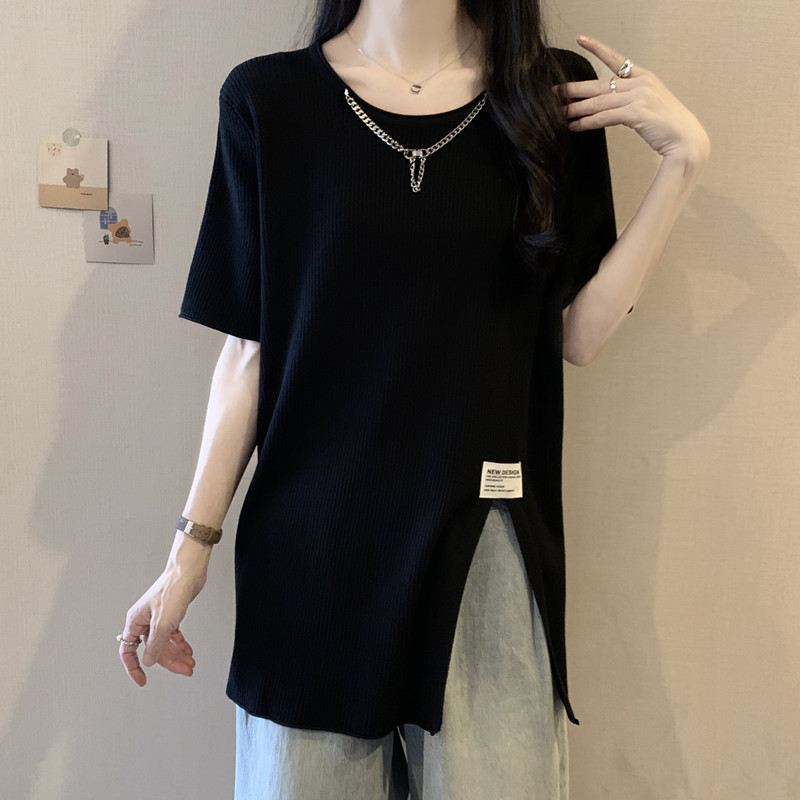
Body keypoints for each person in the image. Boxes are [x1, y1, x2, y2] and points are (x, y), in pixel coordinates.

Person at [119, 1, 709, 797]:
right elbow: (250, 351)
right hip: (312, 557)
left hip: (484, 549)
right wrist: (188, 554)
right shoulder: (268, 101)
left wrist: (682, 165)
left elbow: (576, 335)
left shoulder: (548, 94)